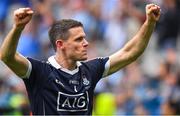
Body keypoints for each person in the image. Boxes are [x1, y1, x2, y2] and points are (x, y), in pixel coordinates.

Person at [0, 3, 161, 115]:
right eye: (78, 39)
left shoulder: (90, 70)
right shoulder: (40, 72)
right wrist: (17, 28)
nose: (86, 43)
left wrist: (150, 23)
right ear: (60, 44)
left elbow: (130, 52)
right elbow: (7, 57)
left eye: (84, 38)